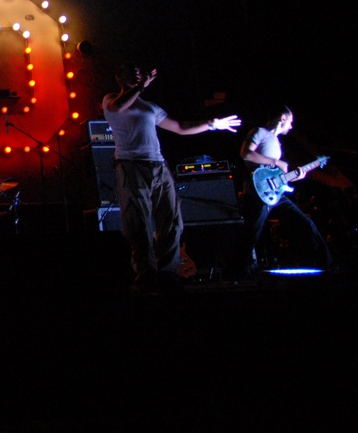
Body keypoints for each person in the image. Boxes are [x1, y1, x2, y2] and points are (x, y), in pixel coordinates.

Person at [103, 63, 241, 293]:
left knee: (171, 218)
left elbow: (179, 127)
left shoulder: (150, 107)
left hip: (158, 164)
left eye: (139, 70)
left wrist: (212, 124)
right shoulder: (111, 100)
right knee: (139, 222)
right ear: (119, 77)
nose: (137, 72)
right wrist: (140, 86)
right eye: (131, 70)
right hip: (131, 165)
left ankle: (168, 272)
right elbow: (118, 107)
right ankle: (146, 274)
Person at [234, 106, 333, 275]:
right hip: (257, 192)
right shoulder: (259, 132)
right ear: (282, 118)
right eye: (291, 122)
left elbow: (277, 175)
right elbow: (246, 154)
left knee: (306, 224)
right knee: (251, 234)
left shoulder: (276, 141)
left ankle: (329, 266)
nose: (291, 126)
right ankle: (236, 273)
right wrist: (275, 161)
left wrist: (297, 176)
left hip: (276, 194)